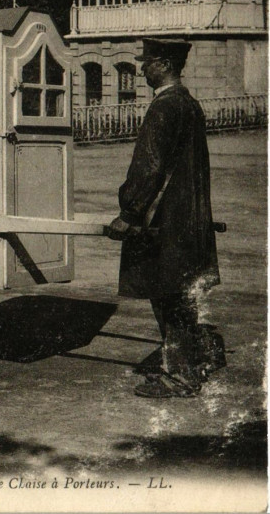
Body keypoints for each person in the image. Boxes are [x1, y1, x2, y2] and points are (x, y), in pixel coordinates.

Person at [107, 38, 222, 398]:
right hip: (188, 216)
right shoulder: (189, 104)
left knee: (168, 295)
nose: (142, 68)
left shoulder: (164, 107)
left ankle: (182, 377)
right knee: (179, 296)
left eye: (149, 62)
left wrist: (129, 212)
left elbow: (149, 166)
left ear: (166, 64)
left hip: (165, 221)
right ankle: (186, 367)